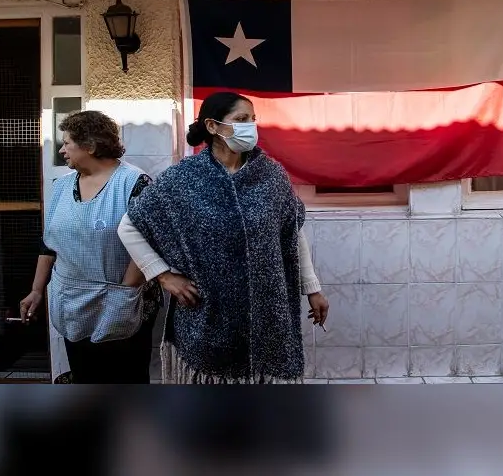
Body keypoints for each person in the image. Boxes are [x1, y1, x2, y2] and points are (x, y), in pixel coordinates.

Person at [117, 91, 329, 384]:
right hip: (208, 312)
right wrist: (163, 276)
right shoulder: (184, 178)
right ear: (213, 126)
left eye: (253, 120)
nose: (250, 127)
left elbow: (291, 233)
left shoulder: (271, 175)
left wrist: (313, 289)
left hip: (268, 310)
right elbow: (129, 226)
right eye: (241, 119)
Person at [19, 110, 162, 384]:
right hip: (74, 303)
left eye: (67, 143)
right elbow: (49, 242)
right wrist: (37, 290)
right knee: (86, 377)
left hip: (123, 303)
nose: (62, 150)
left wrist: (124, 294)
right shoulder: (61, 187)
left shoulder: (134, 183)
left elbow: (151, 242)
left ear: (91, 146)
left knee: (125, 380)